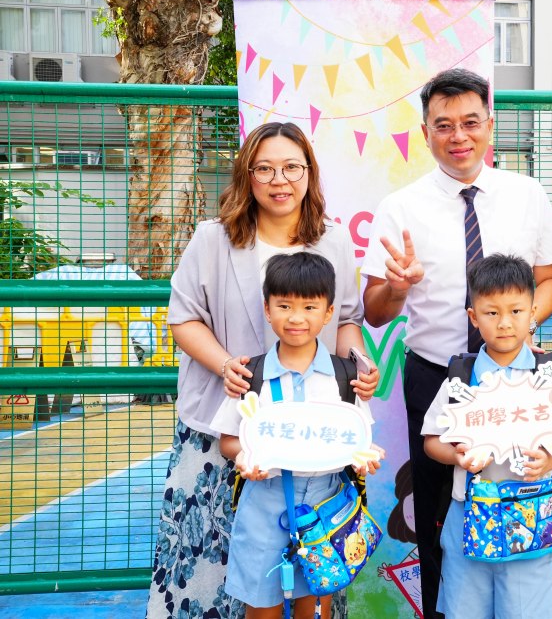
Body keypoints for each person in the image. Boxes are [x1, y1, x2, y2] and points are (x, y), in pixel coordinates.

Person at [147, 121, 379, 619]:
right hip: (222, 427)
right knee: (212, 560)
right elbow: (183, 318)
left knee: (310, 567)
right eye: (265, 169)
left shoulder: (334, 241)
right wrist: (226, 365)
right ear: (247, 175)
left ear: (309, 172)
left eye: (292, 167)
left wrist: (359, 365)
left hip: (307, 438)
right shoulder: (212, 239)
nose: (280, 180)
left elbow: (348, 320)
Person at [361, 67, 552, 618]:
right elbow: (374, 311)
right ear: (425, 132)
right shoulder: (400, 207)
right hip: (436, 378)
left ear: (489, 125)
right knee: (436, 518)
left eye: (471, 122)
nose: (459, 136)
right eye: (444, 125)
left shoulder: (526, 194)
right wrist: (398, 287)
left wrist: (515, 330)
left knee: (524, 501)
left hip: (518, 379)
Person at [212, 252, 382, 618]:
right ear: (267, 309)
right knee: (262, 608)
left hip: (326, 504)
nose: (296, 317)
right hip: (264, 503)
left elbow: (359, 441)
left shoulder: (345, 378)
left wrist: (365, 457)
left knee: (315, 607)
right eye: (284, 305)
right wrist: (246, 457)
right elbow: (229, 440)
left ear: (329, 312)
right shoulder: (251, 376)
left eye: (309, 307)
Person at [421, 253, 552, 619]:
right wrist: (457, 456)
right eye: (492, 312)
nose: (505, 323)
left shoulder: (546, 376)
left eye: (516, 311)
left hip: (531, 517)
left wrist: (550, 459)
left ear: (533, 313)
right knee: (467, 611)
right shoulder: (460, 379)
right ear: (473, 317)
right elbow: (431, 441)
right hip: (468, 516)